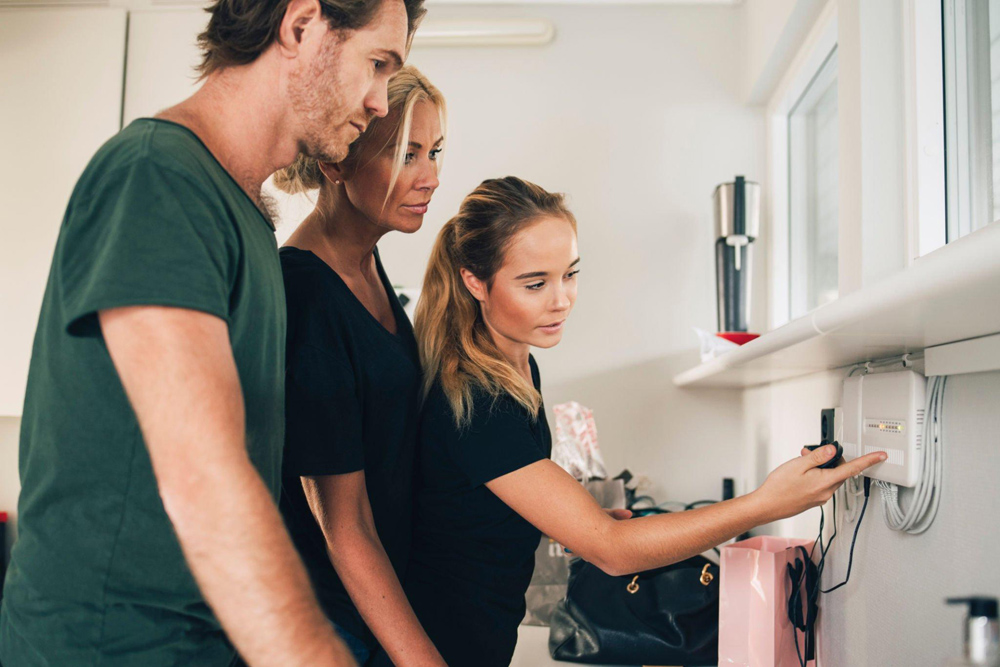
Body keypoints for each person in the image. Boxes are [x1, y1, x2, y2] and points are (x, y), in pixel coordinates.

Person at [0, 1, 426, 665]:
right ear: (302, 24)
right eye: (377, 64)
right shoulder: (159, 176)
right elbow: (205, 479)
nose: (379, 102)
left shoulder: (249, 216)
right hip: (111, 648)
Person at [398, 176, 888, 667]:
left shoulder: (514, 365)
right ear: (474, 281)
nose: (561, 299)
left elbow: (466, 502)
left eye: (570, 274)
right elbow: (613, 552)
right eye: (535, 283)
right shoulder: (477, 398)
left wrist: (566, 521)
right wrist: (765, 503)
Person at [271, 65, 446, 666]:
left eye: (435, 152)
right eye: (406, 154)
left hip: (378, 610)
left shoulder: (370, 270)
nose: (430, 177)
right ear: (335, 161)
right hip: (330, 628)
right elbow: (341, 525)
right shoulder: (306, 294)